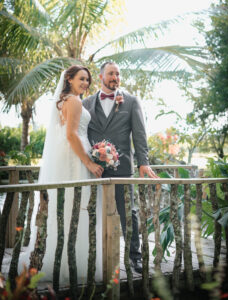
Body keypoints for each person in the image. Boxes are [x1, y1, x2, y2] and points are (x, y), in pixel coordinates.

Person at [18, 65, 104, 286]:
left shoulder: (66, 99)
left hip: (70, 155)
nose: (86, 83)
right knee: (78, 206)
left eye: (88, 80)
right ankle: (72, 263)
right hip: (75, 158)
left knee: (67, 208)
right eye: (81, 79)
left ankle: (62, 259)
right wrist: (89, 162)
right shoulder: (74, 101)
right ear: (69, 79)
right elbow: (71, 134)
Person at [83, 61, 158, 273]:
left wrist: (143, 162)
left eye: (118, 74)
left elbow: (140, 134)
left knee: (129, 213)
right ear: (100, 77)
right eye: (111, 74)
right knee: (91, 211)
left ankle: (135, 257)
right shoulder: (87, 103)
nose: (115, 77)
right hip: (93, 168)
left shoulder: (132, 101)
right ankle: (93, 255)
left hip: (122, 167)